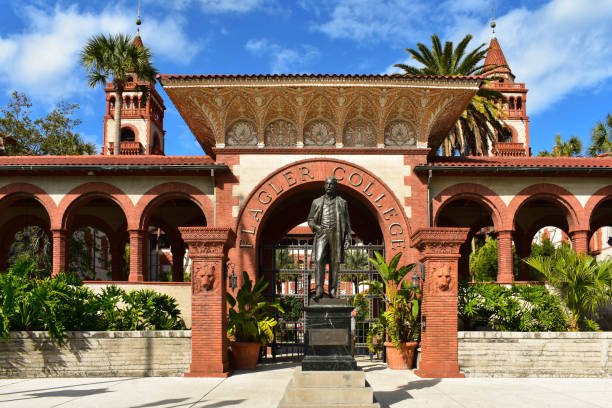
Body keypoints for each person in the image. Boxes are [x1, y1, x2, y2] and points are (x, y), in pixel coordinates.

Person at [307, 176, 351, 300]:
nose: (329, 186)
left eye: (332, 184)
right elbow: (310, 219)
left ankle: (332, 290)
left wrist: (347, 238)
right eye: (327, 184)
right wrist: (317, 228)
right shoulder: (317, 201)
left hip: (336, 234)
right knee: (319, 259)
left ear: (336, 186)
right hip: (322, 233)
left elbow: (347, 223)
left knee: (335, 263)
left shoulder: (342, 202)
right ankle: (319, 289)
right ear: (325, 186)